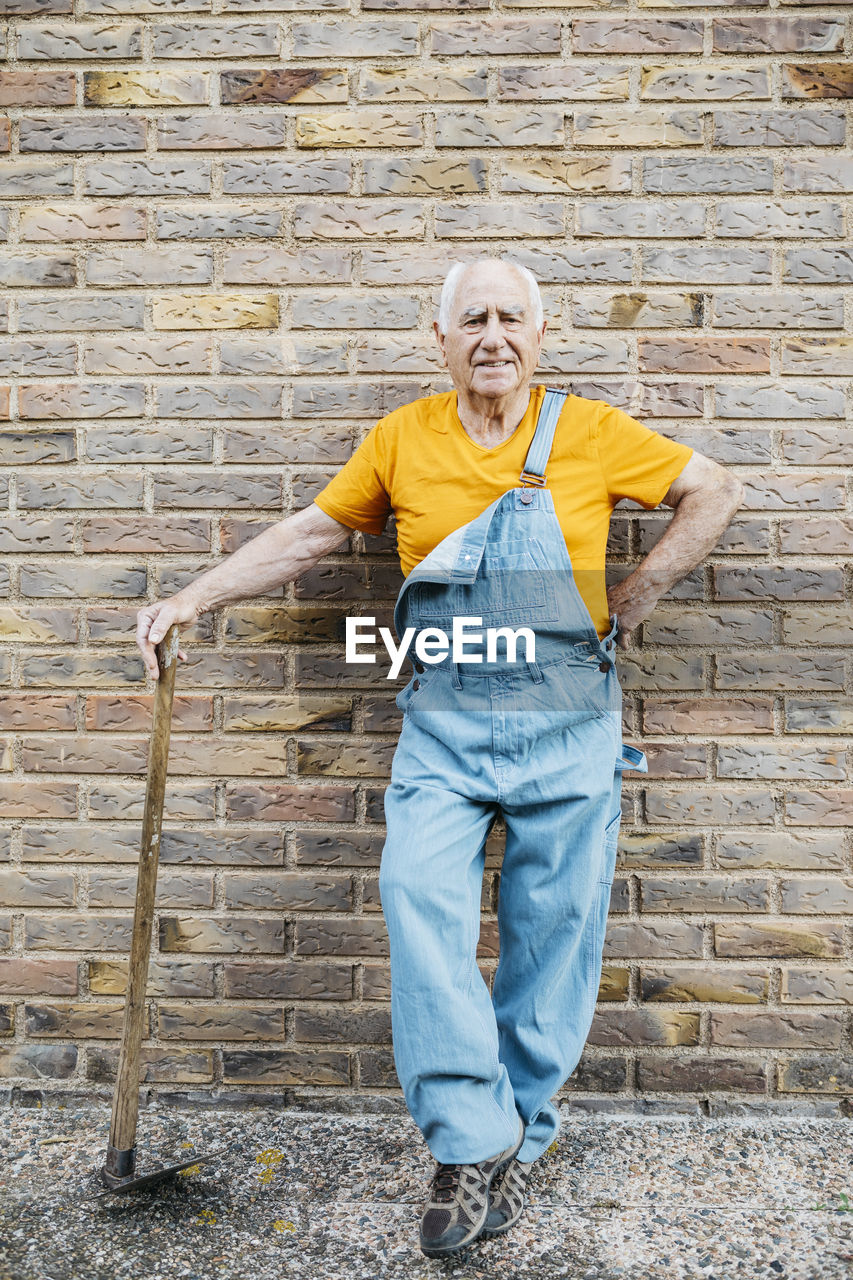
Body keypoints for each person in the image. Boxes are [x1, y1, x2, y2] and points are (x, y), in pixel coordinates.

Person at [137, 257, 744, 1259]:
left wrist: (632, 596)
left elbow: (712, 489)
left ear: (539, 336)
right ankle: (468, 1137)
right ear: (441, 336)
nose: (493, 335)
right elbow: (310, 533)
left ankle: (514, 1136)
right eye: (474, 319)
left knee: (553, 942)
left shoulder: (591, 432)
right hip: (446, 731)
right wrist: (193, 596)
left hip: (568, 727)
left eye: (512, 318)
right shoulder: (402, 438)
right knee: (417, 898)